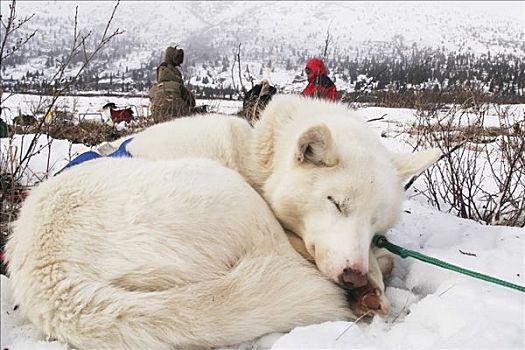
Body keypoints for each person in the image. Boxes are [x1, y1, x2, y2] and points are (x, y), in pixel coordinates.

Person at [148, 46, 196, 123]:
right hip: (179, 122)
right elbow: (192, 102)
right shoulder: (178, 87)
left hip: (158, 122)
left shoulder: (153, 90)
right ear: (176, 74)